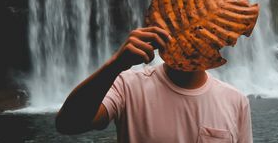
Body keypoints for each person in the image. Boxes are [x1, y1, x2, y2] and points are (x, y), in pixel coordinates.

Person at [56, 26, 253, 143]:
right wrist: (115, 64)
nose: (191, 36)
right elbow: (68, 124)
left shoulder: (236, 102)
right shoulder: (128, 86)